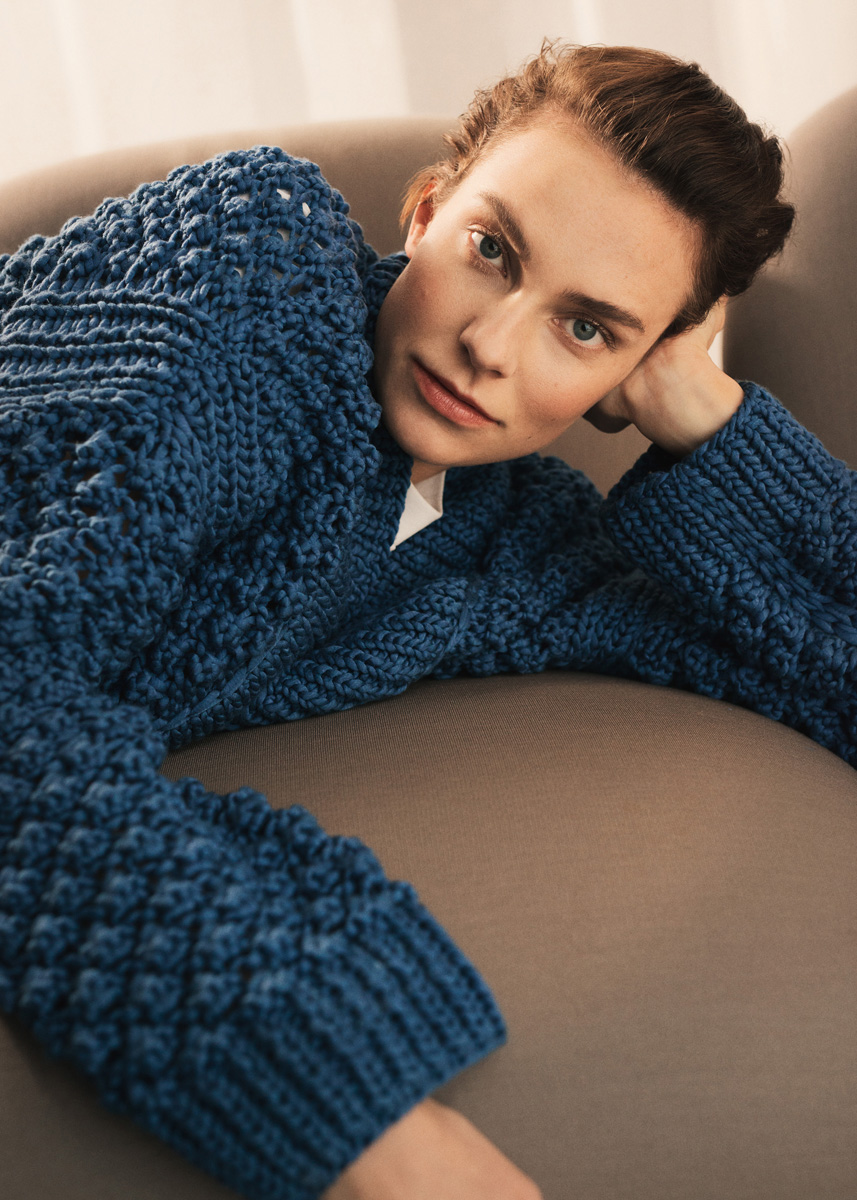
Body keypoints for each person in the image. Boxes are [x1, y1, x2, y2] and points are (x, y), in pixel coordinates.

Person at [0, 37, 853, 1200]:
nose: (487, 348)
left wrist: (712, 420)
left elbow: (822, 673)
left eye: (586, 328)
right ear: (425, 209)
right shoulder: (246, 288)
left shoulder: (502, 539)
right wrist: (373, 1131)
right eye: (492, 251)